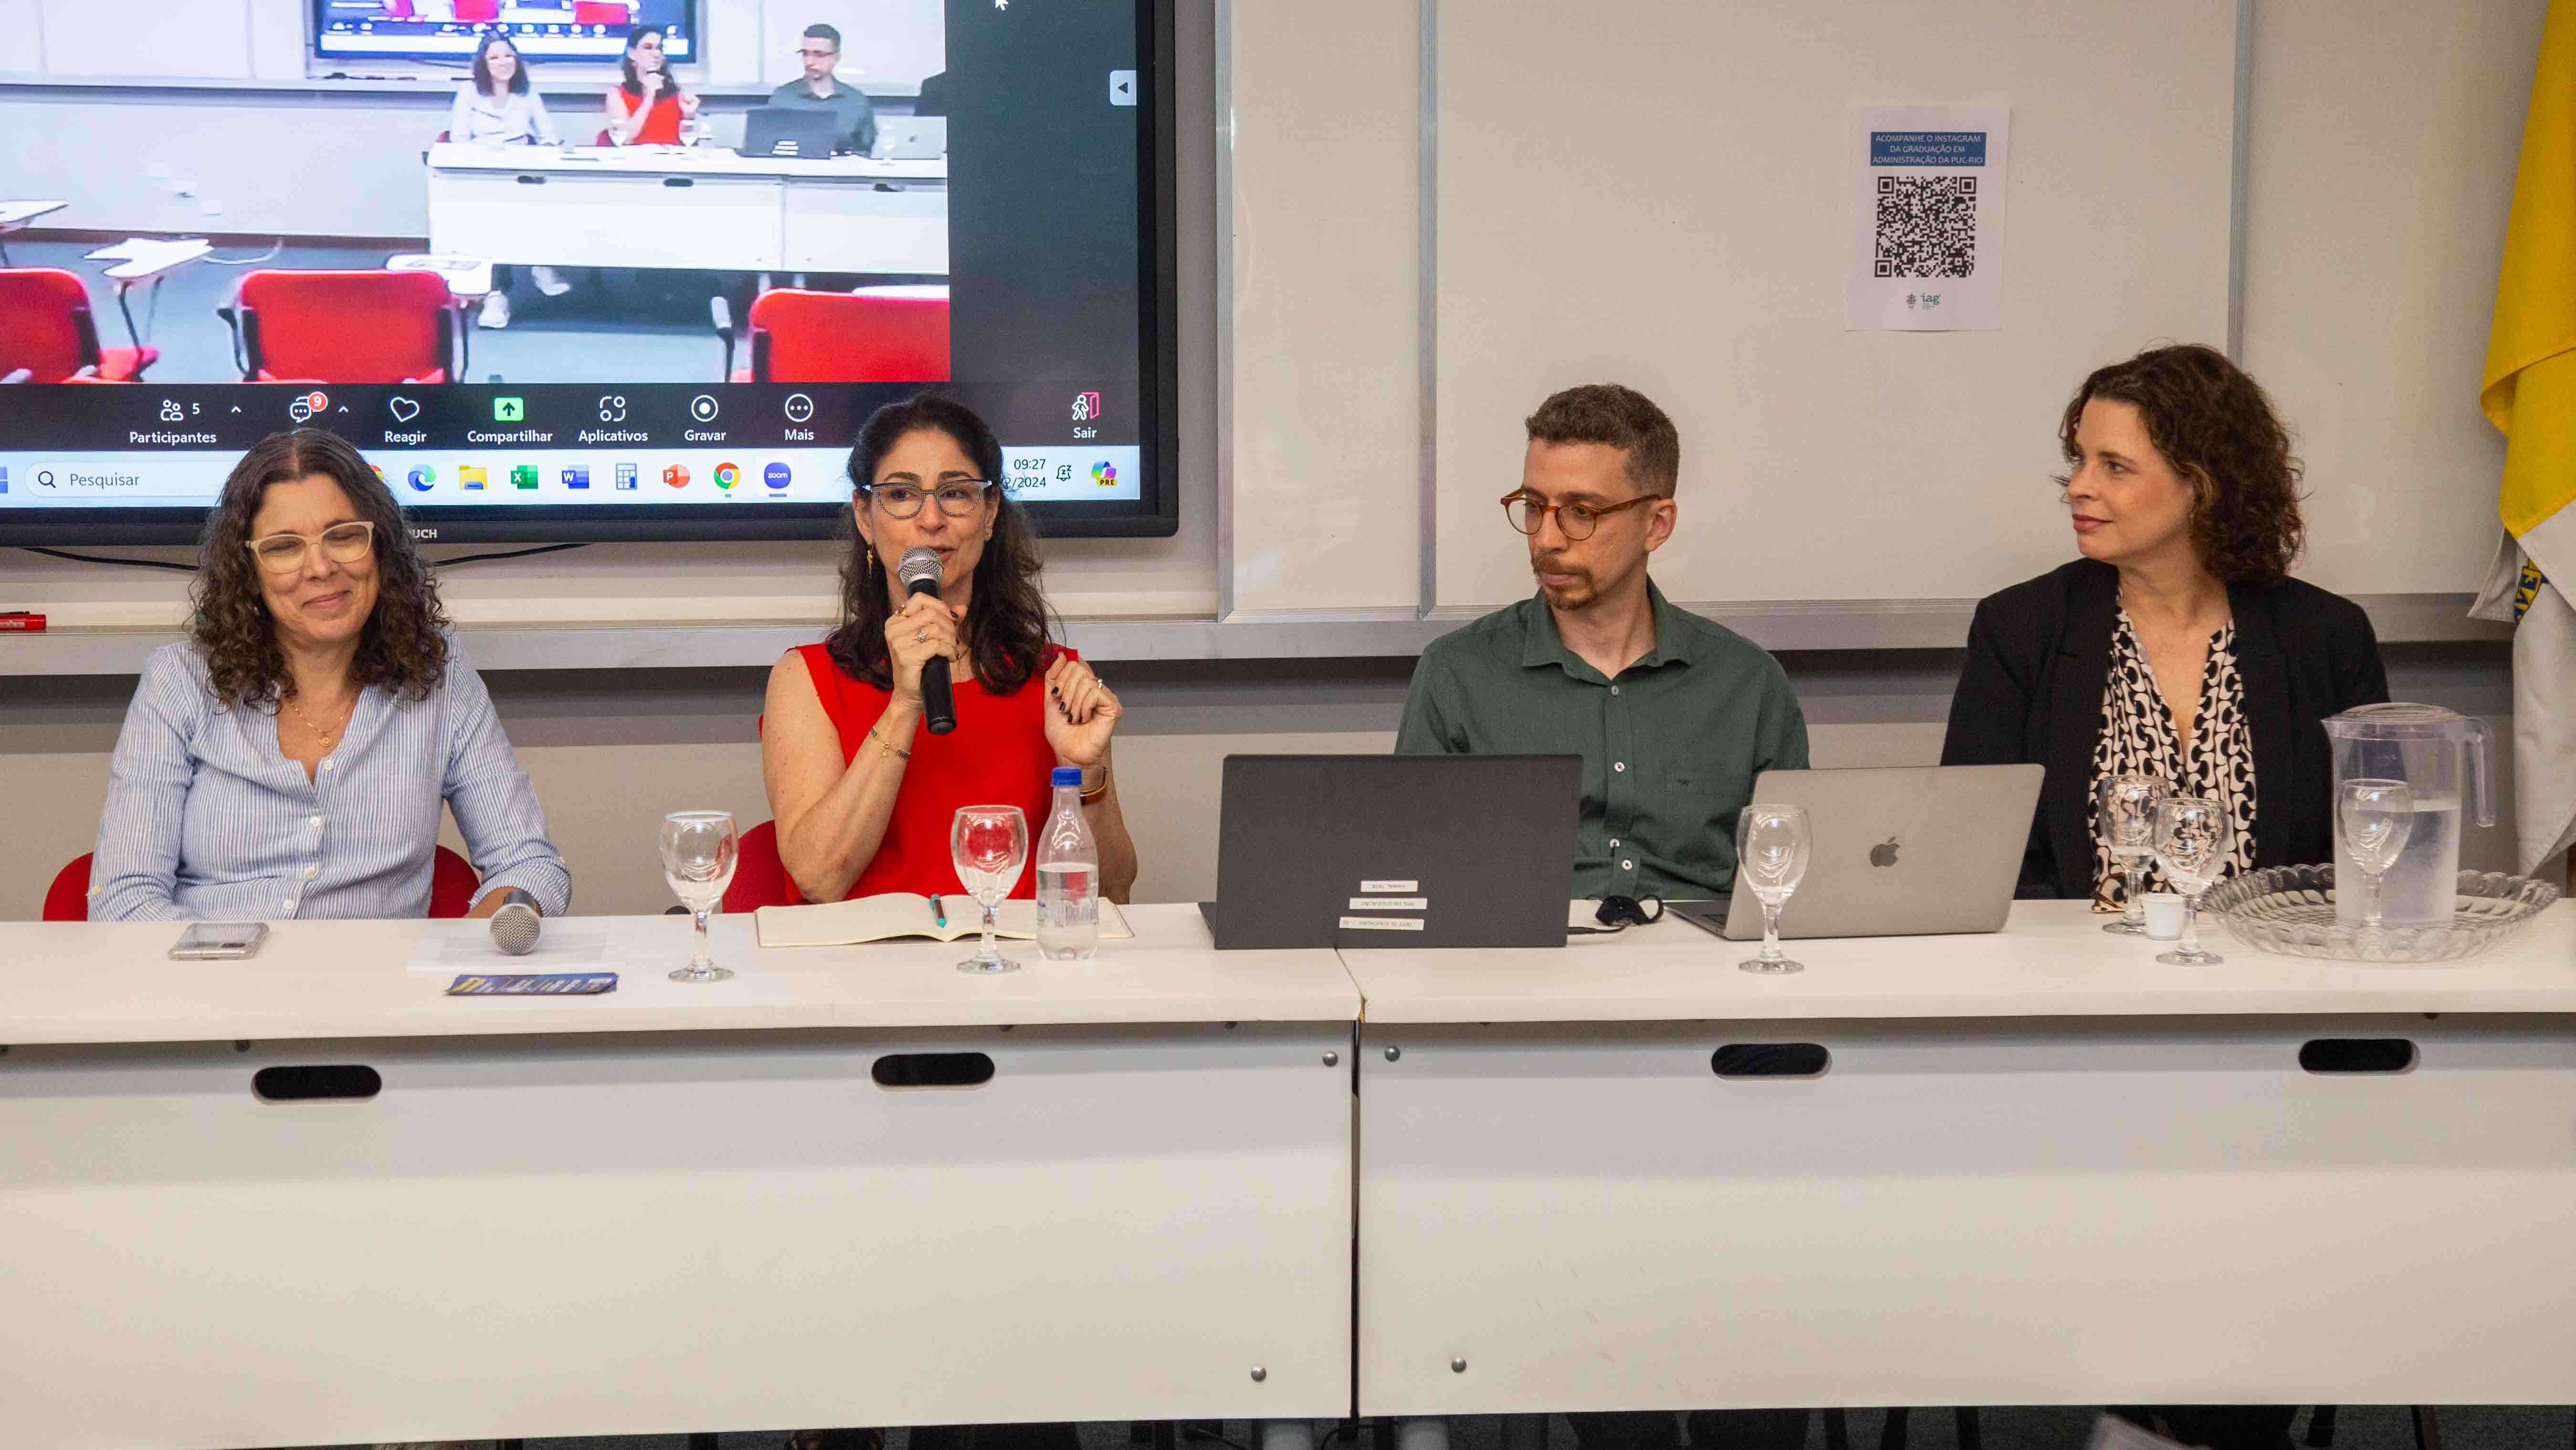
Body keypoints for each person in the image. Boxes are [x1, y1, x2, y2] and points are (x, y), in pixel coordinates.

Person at [1941, 343, 2390, 921]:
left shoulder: (2325, 635)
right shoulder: (2021, 627)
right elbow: (1973, 849)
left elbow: (2369, 848)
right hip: (2075, 964)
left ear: (2201, 483)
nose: (2078, 486)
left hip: (2271, 962)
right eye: (2079, 459)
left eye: (2114, 466)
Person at [89, 429, 569, 924]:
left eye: (343, 537)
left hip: (380, 974)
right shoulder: (180, 679)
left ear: (380, 547)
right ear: (248, 570)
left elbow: (530, 865)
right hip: (210, 968)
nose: (320, 567)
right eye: (284, 547)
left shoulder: (439, 673)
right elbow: (124, 899)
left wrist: (471, 942)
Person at [1398, 382, 1809, 905]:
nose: (1546, 539)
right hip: (1529, 948)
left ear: (1656, 524)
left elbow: (1789, 880)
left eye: (1582, 513)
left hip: (1699, 950)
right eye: (1534, 506)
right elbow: (1412, 874)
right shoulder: (1458, 673)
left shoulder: (1747, 681)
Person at [763, 391, 1139, 908]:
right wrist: (904, 705)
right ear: (865, 517)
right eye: (901, 494)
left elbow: (1112, 891)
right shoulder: (807, 677)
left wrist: (1085, 777)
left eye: (956, 493)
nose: (931, 518)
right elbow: (819, 879)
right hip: (865, 957)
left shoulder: (1058, 678)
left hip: (1016, 955)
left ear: (990, 513)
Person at [447, 31, 569, 328]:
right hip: (482, 172)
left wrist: (544, 151)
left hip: (521, 169)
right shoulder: (469, 92)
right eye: (495, 57)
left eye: (508, 56)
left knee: (532, 202)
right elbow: (459, 139)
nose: (503, 62)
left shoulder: (527, 93)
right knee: (498, 215)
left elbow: (548, 135)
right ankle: (500, 292)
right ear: (484, 64)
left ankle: (537, 264)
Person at [766, 22, 879, 156]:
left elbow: (864, 153)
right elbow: (767, 146)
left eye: (818, 54)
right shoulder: (783, 97)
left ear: (836, 58)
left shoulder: (856, 102)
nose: (809, 62)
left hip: (842, 169)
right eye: (805, 54)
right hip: (793, 168)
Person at [605, 23, 697, 146]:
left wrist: (689, 117)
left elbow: (686, 142)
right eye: (648, 48)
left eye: (659, 48)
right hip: (634, 157)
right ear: (632, 54)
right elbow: (626, 138)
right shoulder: (617, 94)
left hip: (671, 157)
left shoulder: (677, 93)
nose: (657, 54)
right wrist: (649, 97)